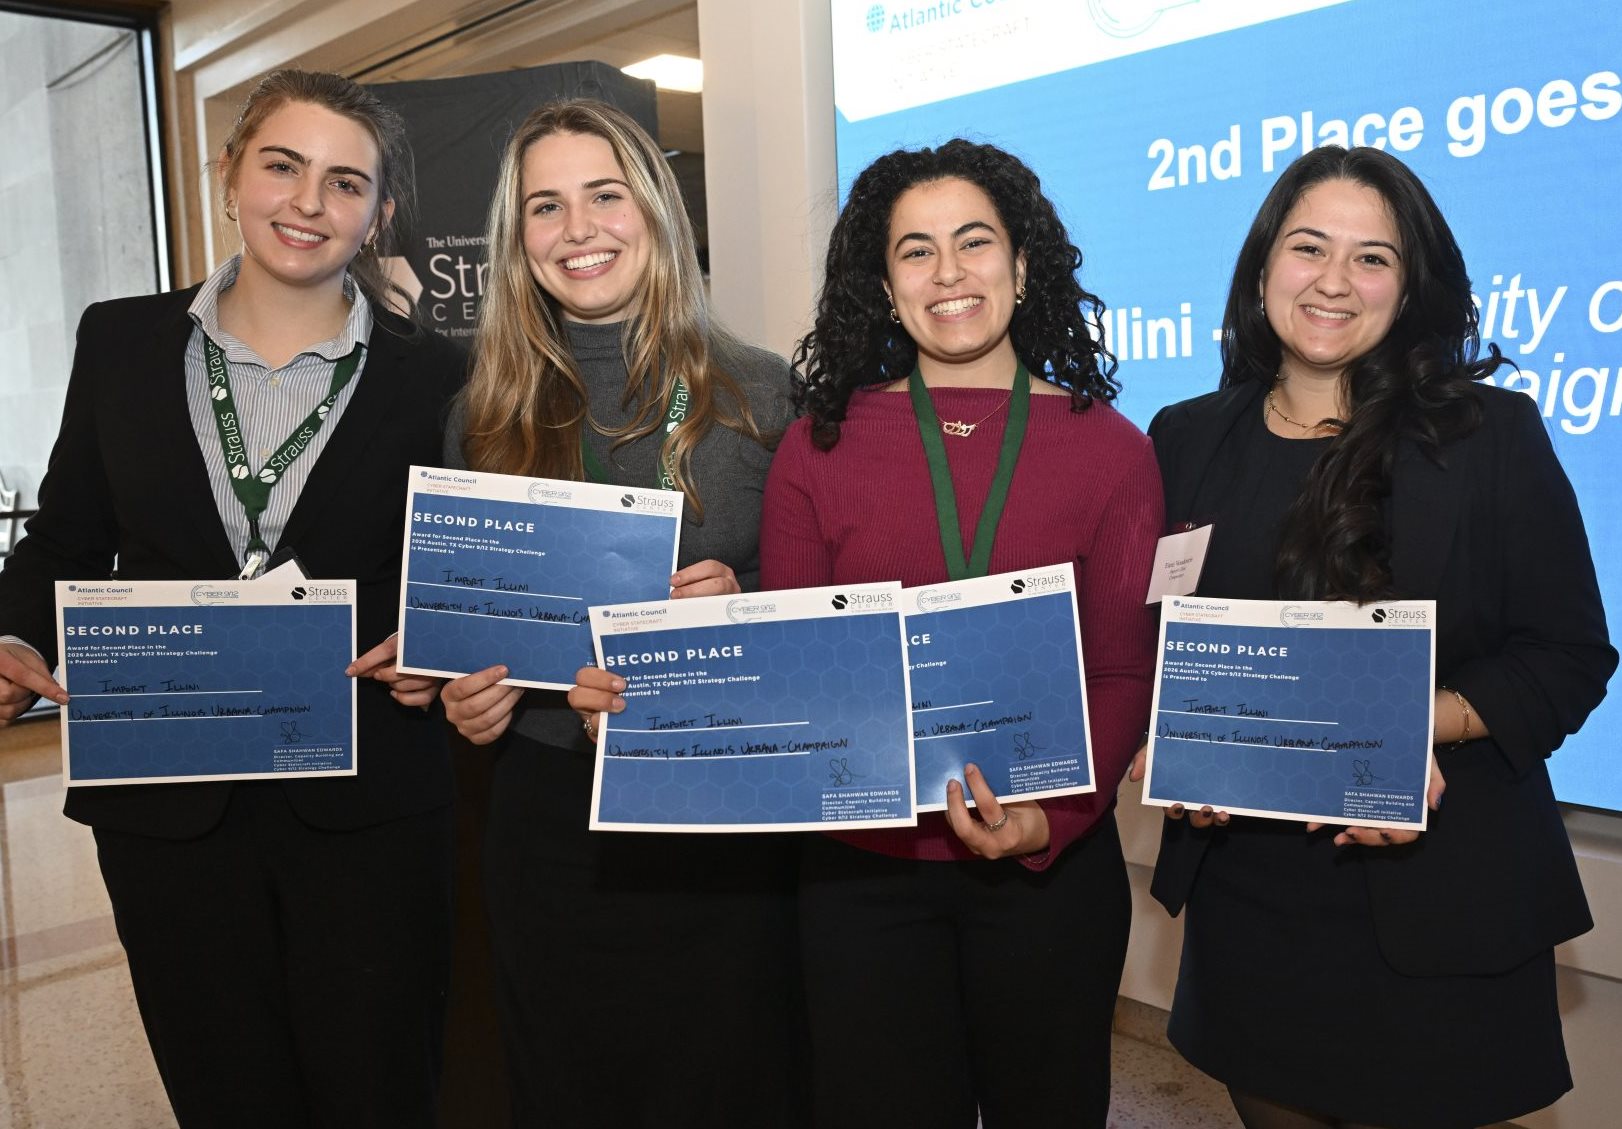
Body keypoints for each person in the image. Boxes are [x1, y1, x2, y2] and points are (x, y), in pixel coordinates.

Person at [0, 70, 465, 1127]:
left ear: (379, 213)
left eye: (345, 182)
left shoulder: (438, 373)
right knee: (223, 1090)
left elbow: (455, 570)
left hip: (368, 803)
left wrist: (434, 638)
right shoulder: (118, 341)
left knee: (379, 1088)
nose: (308, 202)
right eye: (282, 165)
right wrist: (13, 631)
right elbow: (66, 533)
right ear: (228, 176)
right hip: (168, 802)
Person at [1141, 145, 1615, 1129]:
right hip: (1253, 903)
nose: (1330, 280)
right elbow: (1166, 641)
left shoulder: (1488, 436)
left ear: (1409, 286)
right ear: (1261, 264)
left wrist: (1410, 722)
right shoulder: (1184, 438)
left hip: (1438, 890)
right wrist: (1176, 742)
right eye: (1307, 246)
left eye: (1370, 258)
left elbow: (1566, 655)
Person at [757, 140, 1162, 1128]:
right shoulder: (818, 446)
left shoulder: (1111, 448)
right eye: (914, 250)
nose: (947, 272)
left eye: (973, 242)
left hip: (1044, 873)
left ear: (1022, 268)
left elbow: (1120, 669)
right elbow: (794, 667)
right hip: (864, 876)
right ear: (882, 285)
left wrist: (1048, 823)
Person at [437, 99, 803, 1127]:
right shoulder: (481, 414)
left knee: (731, 1082)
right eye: (545, 207)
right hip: (550, 818)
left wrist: (749, 600)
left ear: (652, 208)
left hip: (721, 817)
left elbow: (823, 601)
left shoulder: (763, 394)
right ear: (519, 243)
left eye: (604, 194)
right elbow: (479, 638)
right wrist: (470, 696)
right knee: (569, 1081)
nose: (578, 228)